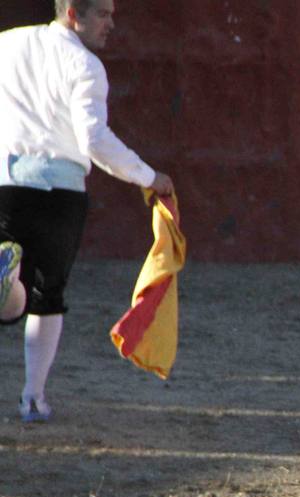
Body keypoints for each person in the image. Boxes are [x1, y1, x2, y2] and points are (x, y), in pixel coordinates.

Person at [0, 0, 174, 423]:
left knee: (15, 298)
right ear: (74, 13)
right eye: (103, 14)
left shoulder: (6, 44)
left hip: (5, 183)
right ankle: (33, 398)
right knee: (48, 294)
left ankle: (6, 274)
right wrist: (148, 176)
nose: (111, 24)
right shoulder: (85, 64)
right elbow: (94, 140)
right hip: (60, 191)